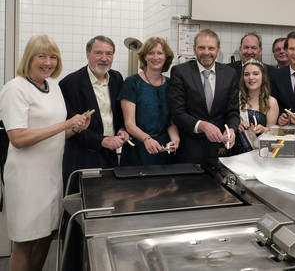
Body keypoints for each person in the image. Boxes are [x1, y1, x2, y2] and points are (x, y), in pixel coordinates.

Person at [0, 35, 90, 271]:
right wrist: (64, 124)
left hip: (51, 175)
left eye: (52, 57)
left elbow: (56, 134)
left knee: (44, 238)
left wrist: (74, 128)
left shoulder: (54, 88)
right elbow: (18, 138)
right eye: (41, 56)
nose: (47, 62)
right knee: (25, 241)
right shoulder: (15, 88)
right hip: (27, 178)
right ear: (29, 57)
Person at [59, 35, 129, 193]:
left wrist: (121, 129)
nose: (104, 58)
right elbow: (70, 127)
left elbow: (118, 114)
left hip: (109, 155)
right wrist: (102, 141)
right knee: (81, 207)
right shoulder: (70, 84)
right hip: (82, 156)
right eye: (98, 53)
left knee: (109, 204)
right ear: (87, 54)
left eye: (109, 54)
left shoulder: (117, 78)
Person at [168, 29, 239, 168]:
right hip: (189, 151)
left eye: (211, 48)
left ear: (218, 50)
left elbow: (233, 112)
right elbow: (177, 113)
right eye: (201, 47)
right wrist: (203, 126)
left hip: (221, 149)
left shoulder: (230, 73)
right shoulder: (180, 72)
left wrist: (231, 129)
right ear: (194, 49)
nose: (206, 52)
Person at [118, 37, 180, 166]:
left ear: (166, 57)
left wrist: (175, 139)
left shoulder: (171, 84)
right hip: (138, 149)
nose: (155, 57)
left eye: (159, 53)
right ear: (144, 57)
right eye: (151, 53)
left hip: (163, 150)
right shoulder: (132, 82)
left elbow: (171, 123)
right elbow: (129, 124)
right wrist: (147, 139)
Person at [237, 59, 279, 151]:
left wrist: (263, 129)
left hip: (259, 153)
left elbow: (272, 132)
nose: (251, 77)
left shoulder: (271, 102)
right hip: (235, 152)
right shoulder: (236, 98)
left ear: (263, 77)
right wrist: (237, 125)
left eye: (255, 74)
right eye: (247, 74)